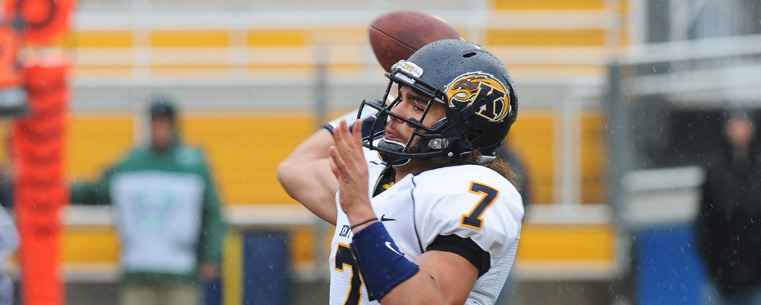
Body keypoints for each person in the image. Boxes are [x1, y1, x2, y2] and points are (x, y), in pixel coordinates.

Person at [279, 39, 524, 304]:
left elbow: (429, 300)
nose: (394, 112)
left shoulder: (474, 189)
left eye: (418, 106)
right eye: (399, 97)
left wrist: (360, 212)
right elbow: (295, 169)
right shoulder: (379, 173)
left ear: (467, 132)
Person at [70, 97, 227, 305]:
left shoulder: (193, 164)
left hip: (180, 273)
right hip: (139, 272)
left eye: (164, 122)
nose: (160, 128)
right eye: (156, 122)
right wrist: (57, 191)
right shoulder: (132, 162)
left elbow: (212, 213)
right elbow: (96, 191)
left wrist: (212, 254)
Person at [697, 111, 761, 305]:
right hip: (721, 279)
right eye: (735, 124)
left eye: (744, 124)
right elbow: (704, 222)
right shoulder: (714, 170)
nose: (739, 131)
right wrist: (717, 263)